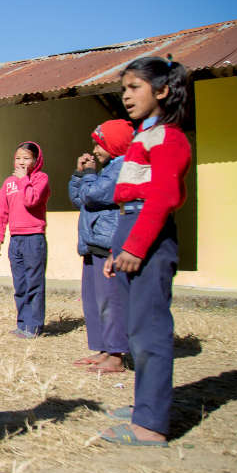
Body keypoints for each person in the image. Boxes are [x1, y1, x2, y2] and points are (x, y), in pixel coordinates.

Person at [100, 56, 193, 448]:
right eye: (124, 89)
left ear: (162, 90)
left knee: (149, 330)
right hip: (130, 227)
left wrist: (136, 246)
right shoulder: (143, 135)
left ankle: (151, 424)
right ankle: (144, 406)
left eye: (134, 87)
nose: (126, 96)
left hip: (149, 235)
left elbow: (162, 197)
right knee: (135, 329)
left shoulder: (168, 136)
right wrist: (117, 248)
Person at [68, 119, 133, 374]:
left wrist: (90, 175)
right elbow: (80, 198)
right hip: (91, 243)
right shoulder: (105, 169)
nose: (95, 149)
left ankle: (116, 354)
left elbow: (94, 195)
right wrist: (79, 174)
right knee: (93, 300)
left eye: (100, 143)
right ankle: (103, 348)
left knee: (110, 300)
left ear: (115, 144)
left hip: (107, 244)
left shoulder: (121, 169)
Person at [0, 141, 50, 338]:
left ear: (36, 160)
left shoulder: (40, 179)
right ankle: (22, 324)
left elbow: (31, 200)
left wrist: (24, 180)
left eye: (26, 158)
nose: (21, 162)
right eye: (18, 158)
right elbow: (2, 210)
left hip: (34, 238)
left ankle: (34, 327)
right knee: (20, 284)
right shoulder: (8, 183)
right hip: (16, 239)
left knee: (34, 283)